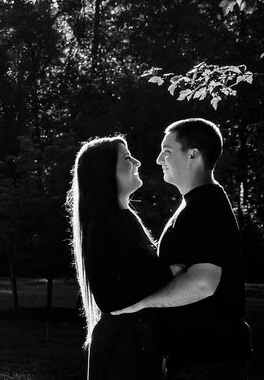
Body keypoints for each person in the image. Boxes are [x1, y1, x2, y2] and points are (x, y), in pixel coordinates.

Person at [112, 118, 251, 379]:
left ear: (193, 155)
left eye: (167, 151)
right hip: (193, 359)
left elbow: (202, 283)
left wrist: (137, 303)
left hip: (210, 359)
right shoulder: (194, 204)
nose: (158, 159)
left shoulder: (207, 206)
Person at [68, 135, 183, 380]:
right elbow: (109, 300)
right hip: (123, 348)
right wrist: (170, 272)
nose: (138, 162)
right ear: (105, 172)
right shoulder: (102, 224)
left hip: (137, 342)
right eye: (127, 158)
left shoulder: (125, 218)